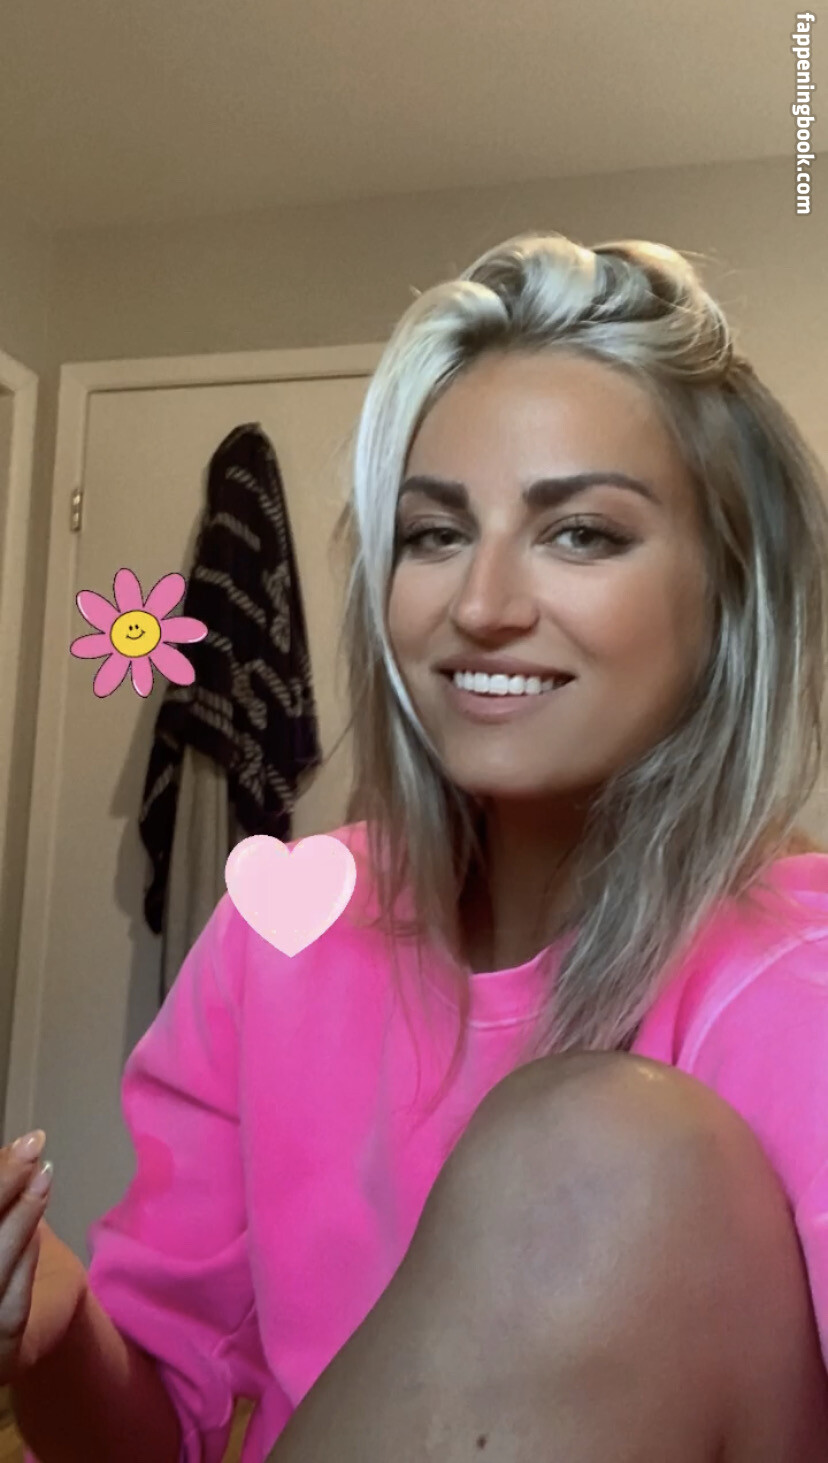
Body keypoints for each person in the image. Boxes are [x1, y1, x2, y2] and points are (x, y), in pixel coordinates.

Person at [4, 231, 828, 1462]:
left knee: (605, 1151)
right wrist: (51, 1321)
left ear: (728, 593)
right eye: (434, 533)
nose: (480, 605)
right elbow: (148, 1439)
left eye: (581, 533)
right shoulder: (282, 935)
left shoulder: (799, 975)